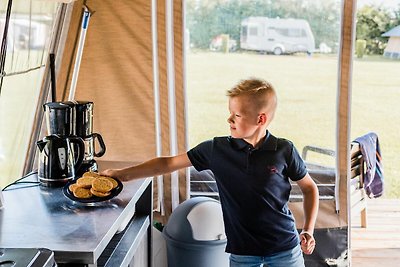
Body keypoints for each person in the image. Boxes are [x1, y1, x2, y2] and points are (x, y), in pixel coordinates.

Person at [100, 77, 319, 267]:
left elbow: (310, 188)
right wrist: (122, 174)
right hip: (242, 253)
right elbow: (167, 164)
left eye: (237, 115)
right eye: (229, 113)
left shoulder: (284, 150)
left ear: (260, 119)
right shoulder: (216, 149)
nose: (229, 119)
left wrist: (308, 229)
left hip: (285, 249)